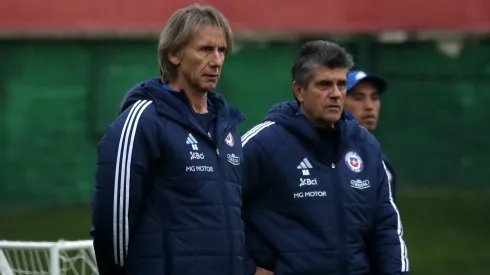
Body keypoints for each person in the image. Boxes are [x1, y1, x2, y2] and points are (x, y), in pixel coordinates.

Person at [91, 4, 246, 275]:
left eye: (222, 50)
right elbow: (112, 220)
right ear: (174, 53)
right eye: (205, 49)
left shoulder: (227, 128)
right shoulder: (144, 119)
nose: (217, 60)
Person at [242, 40, 409, 275]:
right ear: (299, 90)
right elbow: (217, 211)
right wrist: (246, 268)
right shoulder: (263, 144)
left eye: (341, 84)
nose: (335, 94)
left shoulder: (367, 147)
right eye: (324, 85)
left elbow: (387, 228)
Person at [345, 70, 397, 199]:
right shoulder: (326, 157)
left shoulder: (382, 162)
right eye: (359, 98)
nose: (369, 106)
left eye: (375, 98)